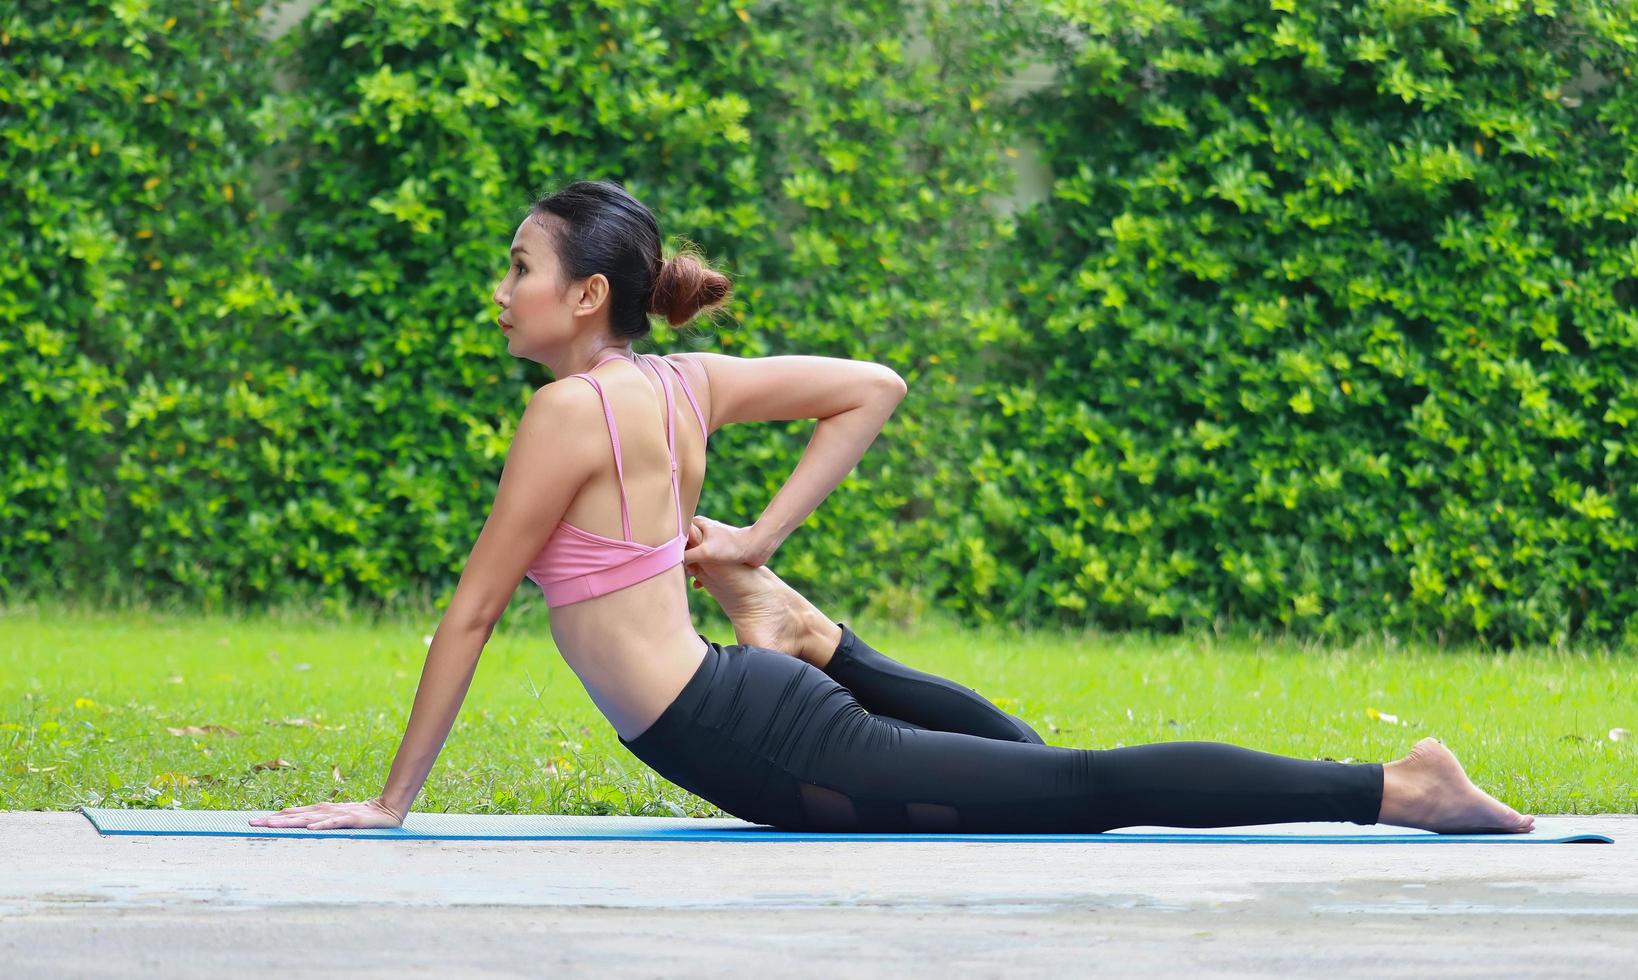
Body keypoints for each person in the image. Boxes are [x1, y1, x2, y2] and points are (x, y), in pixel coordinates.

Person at [251, 179, 1534, 835]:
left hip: (744, 732)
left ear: (587, 294)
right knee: (1035, 789)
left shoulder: (562, 414)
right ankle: (819, 638)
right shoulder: (681, 381)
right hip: (738, 708)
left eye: (519, 267)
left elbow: (475, 611)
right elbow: (871, 384)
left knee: (1071, 795)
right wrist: (756, 541)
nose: (502, 288)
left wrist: (391, 800)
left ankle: (1394, 784)